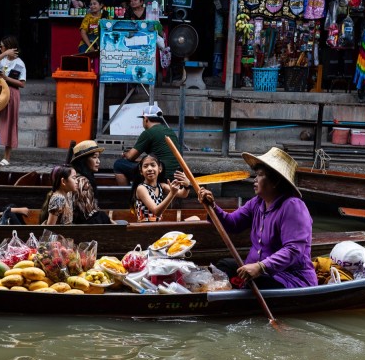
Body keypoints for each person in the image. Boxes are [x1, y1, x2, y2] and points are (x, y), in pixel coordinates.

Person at [196, 147, 317, 289]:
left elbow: (293, 249)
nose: (255, 180)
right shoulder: (257, 202)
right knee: (224, 266)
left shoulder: (293, 206)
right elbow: (232, 223)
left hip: (287, 277)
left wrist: (261, 267)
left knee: (254, 284)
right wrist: (212, 207)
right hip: (256, 271)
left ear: (276, 180)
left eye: (260, 175)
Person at [113, 105, 179, 186]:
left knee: (119, 164)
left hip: (160, 174)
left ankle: (127, 196)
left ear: (146, 119)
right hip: (174, 174)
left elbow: (130, 156)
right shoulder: (170, 131)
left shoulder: (148, 133)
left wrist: (125, 154)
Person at [0, 35, 26, 167]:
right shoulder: (2, 59)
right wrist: (4, 54)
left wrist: (6, 78)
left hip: (11, 93)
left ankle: (7, 157)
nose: (0, 48)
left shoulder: (19, 63)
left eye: (2, 46)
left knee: (8, 123)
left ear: (9, 47)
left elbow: (21, 83)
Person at [133, 154, 188, 222]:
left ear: (160, 169)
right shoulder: (141, 188)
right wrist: (172, 193)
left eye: (153, 165)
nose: (149, 169)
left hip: (158, 226)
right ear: (141, 171)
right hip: (145, 228)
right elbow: (156, 212)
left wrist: (187, 185)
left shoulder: (162, 186)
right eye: (145, 166)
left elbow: (183, 194)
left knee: (195, 218)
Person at [69, 140, 112, 224]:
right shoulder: (82, 181)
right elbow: (88, 217)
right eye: (94, 157)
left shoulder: (84, 178)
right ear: (84, 160)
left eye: (98, 157)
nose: (98, 161)